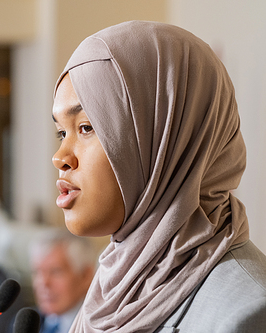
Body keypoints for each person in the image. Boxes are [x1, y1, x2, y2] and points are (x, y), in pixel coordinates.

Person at [51, 20, 266, 332]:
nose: (60, 158)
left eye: (86, 127)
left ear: (168, 138)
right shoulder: (115, 285)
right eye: (61, 132)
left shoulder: (244, 313)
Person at [29, 229, 96, 333]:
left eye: (55, 271)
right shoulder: (25, 323)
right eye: (38, 272)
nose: (44, 283)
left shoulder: (103, 326)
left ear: (85, 276)